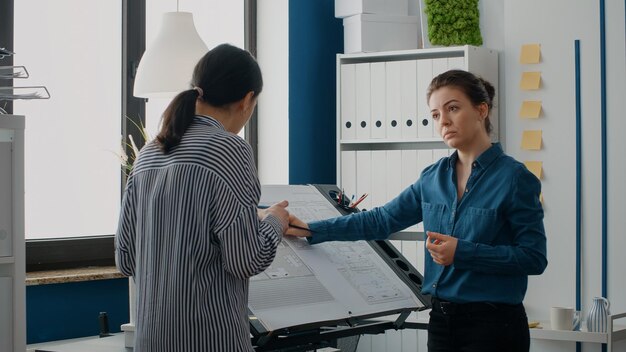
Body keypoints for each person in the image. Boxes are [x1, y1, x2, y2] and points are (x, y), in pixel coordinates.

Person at [287, 69, 547, 352]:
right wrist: (311, 229)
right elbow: (382, 220)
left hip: (496, 327)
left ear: (481, 110)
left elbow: (533, 258)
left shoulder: (515, 178)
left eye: (453, 109)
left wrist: (463, 252)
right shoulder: (432, 178)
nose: (443, 121)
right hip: (441, 324)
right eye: (436, 115)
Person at [115, 43, 290, 352]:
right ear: (247, 100)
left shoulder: (148, 154)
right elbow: (246, 259)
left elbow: (126, 259)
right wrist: (276, 219)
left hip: (150, 342)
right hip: (210, 340)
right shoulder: (230, 149)